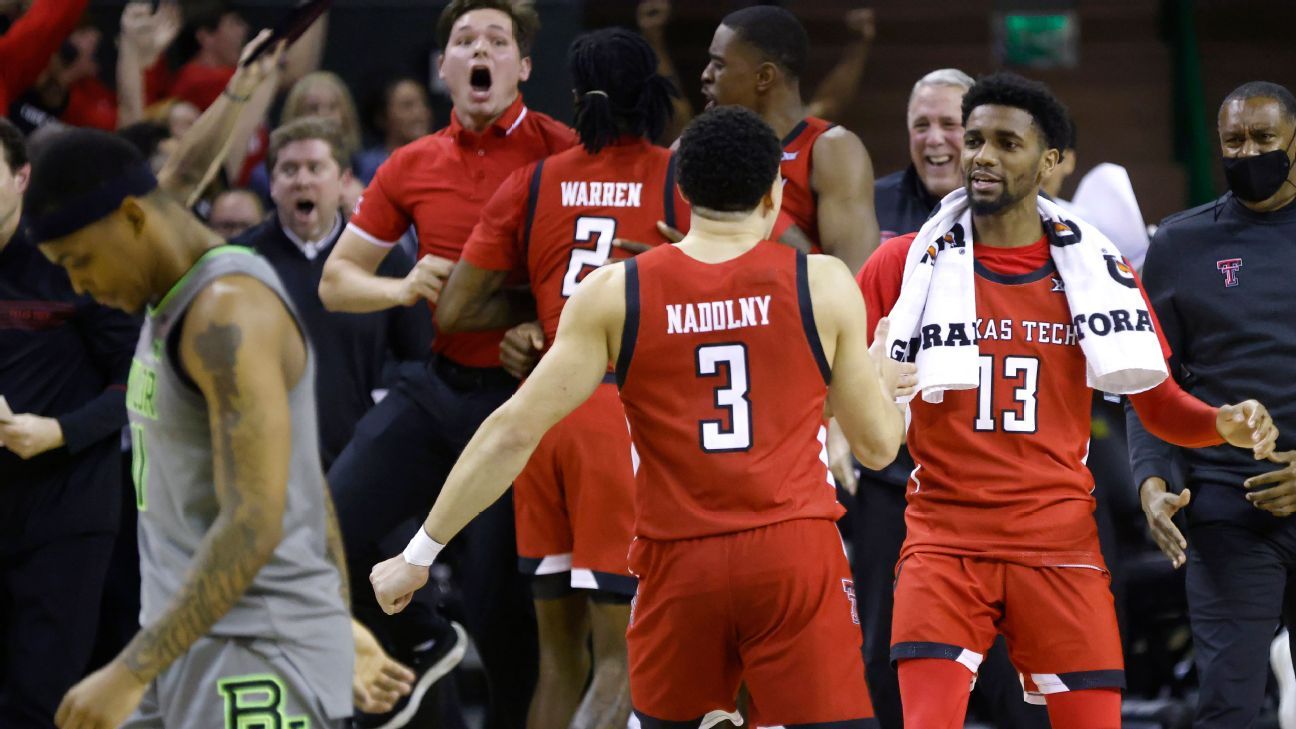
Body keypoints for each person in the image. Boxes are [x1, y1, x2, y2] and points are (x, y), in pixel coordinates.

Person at [373, 104, 906, 729]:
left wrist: (419, 552)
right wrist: (887, 378)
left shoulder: (613, 291)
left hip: (679, 564)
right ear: (775, 194)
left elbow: (513, 429)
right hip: (792, 558)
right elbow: (875, 448)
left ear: (681, 191)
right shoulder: (823, 282)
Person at [859, 71, 1278, 729]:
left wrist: (1218, 422)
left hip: (1056, 541)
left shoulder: (1098, 271)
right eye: (975, 140)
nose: (982, 157)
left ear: (1050, 160)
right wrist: (874, 380)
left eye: (1006, 142)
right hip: (944, 540)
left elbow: (1158, 403)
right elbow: (853, 419)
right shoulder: (901, 266)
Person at [35, 37, 415, 728]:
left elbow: (257, 519)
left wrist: (130, 670)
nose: (79, 285)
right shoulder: (162, 261)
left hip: (255, 655)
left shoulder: (224, 315)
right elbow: (172, 177)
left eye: (79, 260)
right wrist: (240, 92)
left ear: (130, 222)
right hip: (195, 635)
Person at [318, 2, 577, 725]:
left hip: (519, 403)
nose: (480, 50)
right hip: (437, 385)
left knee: (502, 610)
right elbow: (337, 281)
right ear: (444, 70)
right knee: (327, 525)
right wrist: (400, 284)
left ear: (524, 67)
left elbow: (598, 273)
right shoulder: (412, 162)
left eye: (498, 39)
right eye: (465, 41)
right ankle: (425, 637)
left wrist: (537, 326)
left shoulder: (564, 153)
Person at [435, 27, 686, 729]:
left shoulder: (536, 179)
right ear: (655, 91)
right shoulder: (677, 178)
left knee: (561, 663)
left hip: (543, 421)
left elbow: (455, 309)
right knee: (624, 663)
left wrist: (546, 308)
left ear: (575, 99)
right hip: (620, 417)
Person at [853, 65, 1050, 729]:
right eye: (921, 125)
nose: (937, 141)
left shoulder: (1033, 230)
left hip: (999, 482)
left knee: (1012, 666)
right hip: (892, 480)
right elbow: (839, 346)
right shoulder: (875, 217)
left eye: (951, 127)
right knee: (891, 651)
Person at [1126, 80, 1296, 729]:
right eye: (1234, 141)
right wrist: (1151, 480)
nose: (1247, 152)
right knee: (1227, 705)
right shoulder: (1180, 243)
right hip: (1226, 506)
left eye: (1264, 139)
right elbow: (1150, 379)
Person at [0, 114, 137, 726]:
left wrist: (60, 432)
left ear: (22, 176)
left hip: (63, 514)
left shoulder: (71, 258)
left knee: (39, 700)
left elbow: (138, 377)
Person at [233, 116, 430, 469]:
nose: (302, 180)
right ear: (272, 185)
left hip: (363, 461)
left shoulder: (383, 258)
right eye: (289, 170)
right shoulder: (241, 261)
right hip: (267, 465)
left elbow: (418, 357)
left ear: (343, 182)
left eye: (315, 168)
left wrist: (385, 412)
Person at [697, 5, 879, 271]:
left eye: (719, 64)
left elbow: (855, 284)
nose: (705, 75)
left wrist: (754, 209)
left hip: (792, 310)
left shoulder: (830, 149)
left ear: (764, 77)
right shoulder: (695, 150)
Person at [356, 77, 434, 185]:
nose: (419, 113)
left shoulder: (443, 160)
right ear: (382, 117)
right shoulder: (367, 167)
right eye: (407, 105)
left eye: (423, 104)